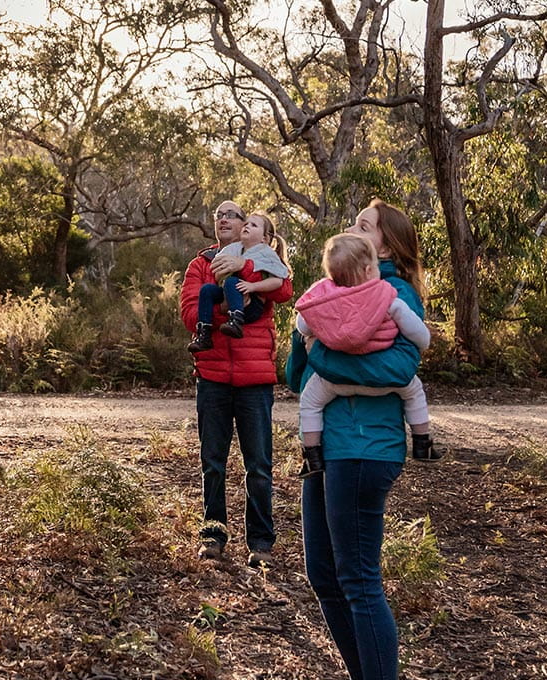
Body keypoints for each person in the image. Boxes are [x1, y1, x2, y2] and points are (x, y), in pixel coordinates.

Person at [282, 199, 423, 680]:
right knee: (323, 573)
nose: (351, 229)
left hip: (366, 448)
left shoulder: (394, 296)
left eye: (363, 226)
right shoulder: (331, 292)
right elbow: (294, 376)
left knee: (359, 578)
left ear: (384, 247)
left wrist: (323, 357)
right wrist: (305, 333)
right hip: (329, 447)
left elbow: (399, 370)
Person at [181, 201, 294, 569]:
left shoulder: (261, 256)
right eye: (218, 215)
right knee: (212, 462)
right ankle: (213, 535)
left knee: (258, 465)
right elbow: (188, 314)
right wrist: (233, 306)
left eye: (232, 215)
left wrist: (243, 269)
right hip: (212, 377)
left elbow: (283, 289)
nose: (223, 219)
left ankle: (260, 542)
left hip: (255, 378)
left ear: (247, 225)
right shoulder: (201, 264)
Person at [292, 233, 433, 476]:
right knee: (414, 391)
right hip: (385, 383)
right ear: (369, 270)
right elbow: (420, 335)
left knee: (310, 401)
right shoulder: (387, 296)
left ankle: (311, 456)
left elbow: (303, 325)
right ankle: (423, 443)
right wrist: (423, 342)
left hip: (335, 382)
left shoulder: (325, 295)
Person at [189, 212, 290, 352]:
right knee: (207, 290)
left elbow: (280, 283)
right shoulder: (231, 250)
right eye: (219, 215)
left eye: (253, 225)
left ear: (264, 238)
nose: (247, 226)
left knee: (232, 282)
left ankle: (236, 320)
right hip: (228, 296)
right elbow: (217, 274)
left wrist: (252, 285)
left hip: (252, 306)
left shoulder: (267, 254)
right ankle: (204, 333)